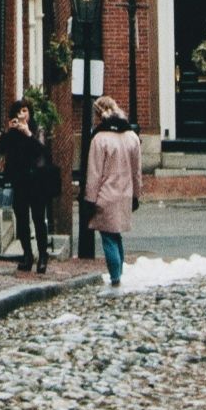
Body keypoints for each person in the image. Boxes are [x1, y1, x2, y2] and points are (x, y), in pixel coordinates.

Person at [0, 98, 54, 273]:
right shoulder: (12, 133)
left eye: (24, 111)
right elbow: (0, 151)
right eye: (18, 112)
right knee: (22, 220)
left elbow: (42, 152)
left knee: (39, 219)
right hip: (19, 182)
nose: (22, 115)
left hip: (37, 182)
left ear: (30, 113)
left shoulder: (36, 130)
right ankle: (27, 254)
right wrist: (8, 131)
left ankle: (43, 254)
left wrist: (28, 134)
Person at [85, 95, 143, 288]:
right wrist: (136, 194)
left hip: (105, 194)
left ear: (98, 114)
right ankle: (119, 272)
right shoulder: (132, 137)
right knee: (116, 234)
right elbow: (137, 171)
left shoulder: (99, 139)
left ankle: (115, 276)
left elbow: (94, 173)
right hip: (125, 193)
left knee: (108, 237)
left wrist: (89, 199)